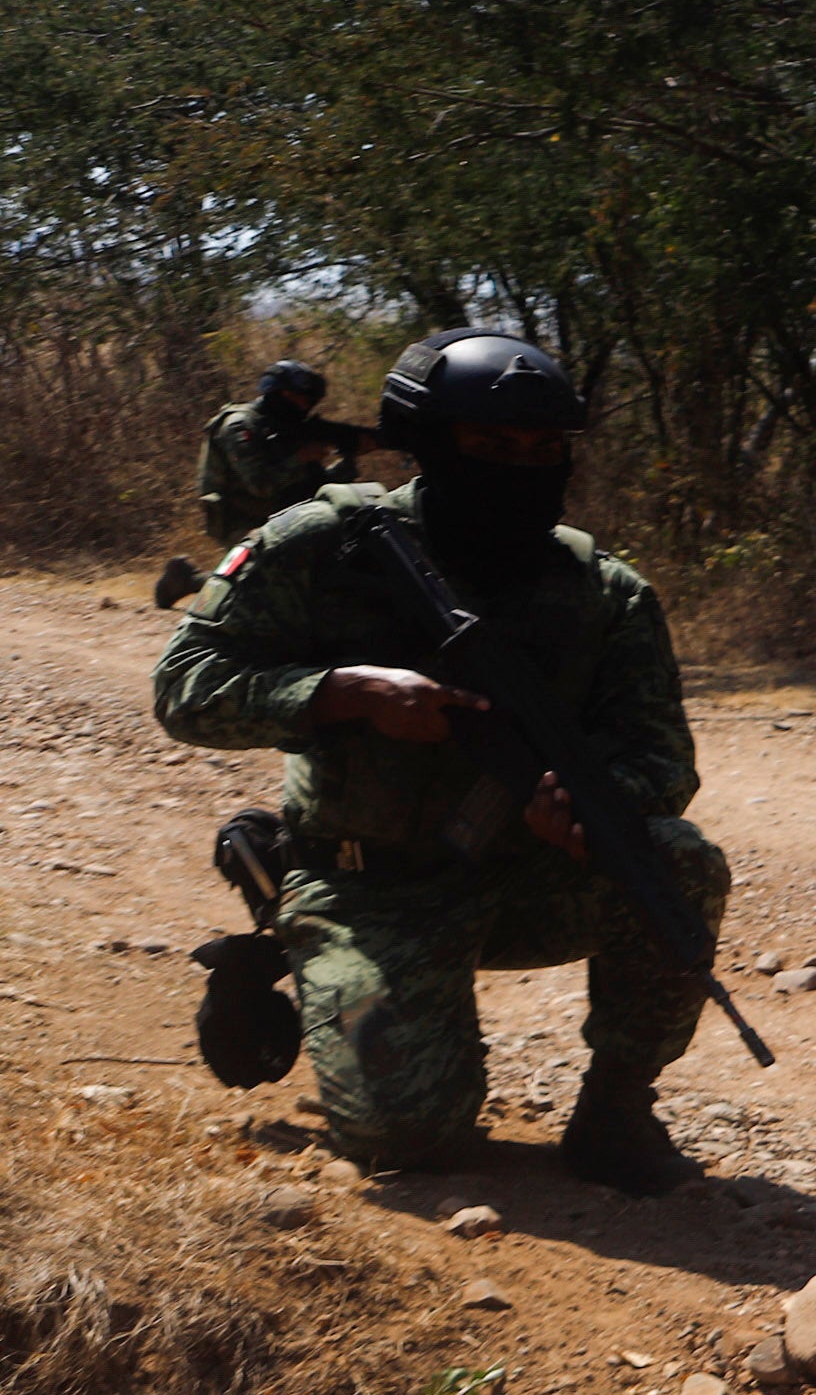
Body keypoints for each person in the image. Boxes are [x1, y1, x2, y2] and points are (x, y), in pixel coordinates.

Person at [152, 328, 732, 1194]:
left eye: (544, 449)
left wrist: (585, 804)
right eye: (493, 446)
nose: (522, 466)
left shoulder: (604, 591)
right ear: (428, 444)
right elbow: (184, 687)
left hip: (519, 880)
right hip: (365, 888)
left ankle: (616, 1110)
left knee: (676, 861)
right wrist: (341, 692)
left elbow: (662, 756)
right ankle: (279, 908)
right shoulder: (324, 544)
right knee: (410, 1141)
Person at [159, 361, 373, 607]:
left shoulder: (286, 429)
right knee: (264, 588)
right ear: (281, 394)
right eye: (301, 400)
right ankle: (189, 581)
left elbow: (317, 486)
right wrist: (300, 458)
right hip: (238, 518)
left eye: (309, 402)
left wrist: (350, 459)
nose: (305, 408)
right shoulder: (239, 426)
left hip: (279, 514)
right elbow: (260, 484)